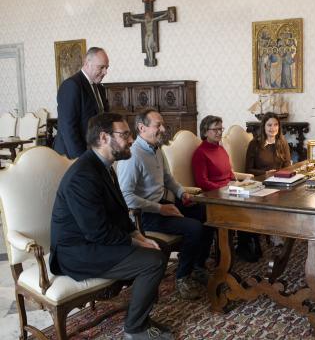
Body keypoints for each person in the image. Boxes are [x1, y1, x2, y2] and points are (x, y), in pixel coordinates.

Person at [49, 113, 171, 340]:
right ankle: (135, 329)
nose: (132, 139)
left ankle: (141, 315)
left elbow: (118, 212)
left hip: (96, 241)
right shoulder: (82, 175)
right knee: (153, 261)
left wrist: (139, 236)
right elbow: (98, 231)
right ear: (104, 137)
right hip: (77, 251)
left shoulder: (104, 165)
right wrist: (138, 242)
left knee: (160, 248)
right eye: (125, 134)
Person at [117, 109, 211, 300]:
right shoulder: (132, 156)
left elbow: (167, 178)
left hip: (162, 203)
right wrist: (161, 209)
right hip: (144, 214)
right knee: (194, 228)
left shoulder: (155, 148)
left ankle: (197, 266)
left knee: (208, 213)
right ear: (141, 128)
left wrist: (181, 193)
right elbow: (126, 197)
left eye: (162, 124)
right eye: (157, 125)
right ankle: (182, 277)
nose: (162, 128)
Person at [192, 115, 259, 262]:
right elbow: (202, 182)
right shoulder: (200, 153)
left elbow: (229, 173)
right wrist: (226, 187)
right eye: (215, 129)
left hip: (229, 190)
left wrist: (240, 182)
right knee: (243, 208)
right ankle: (240, 248)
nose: (219, 132)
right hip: (213, 196)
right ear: (205, 132)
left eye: (220, 129)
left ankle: (246, 245)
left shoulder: (220, 149)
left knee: (254, 202)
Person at [244, 112, 291, 252]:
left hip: (280, 181)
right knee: (273, 197)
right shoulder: (254, 144)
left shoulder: (282, 143)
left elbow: (288, 166)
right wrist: (265, 174)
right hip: (261, 183)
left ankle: (286, 230)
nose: (273, 128)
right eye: (269, 125)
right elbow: (247, 169)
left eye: (276, 125)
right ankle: (275, 234)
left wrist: (281, 175)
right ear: (263, 126)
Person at [54, 47, 109, 159]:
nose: (105, 72)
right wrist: (80, 160)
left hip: (94, 152)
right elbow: (68, 128)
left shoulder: (100, 88)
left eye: (107, 68)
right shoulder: (71, 86)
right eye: (101, 67)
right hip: (71, 156)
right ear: (87, 63)